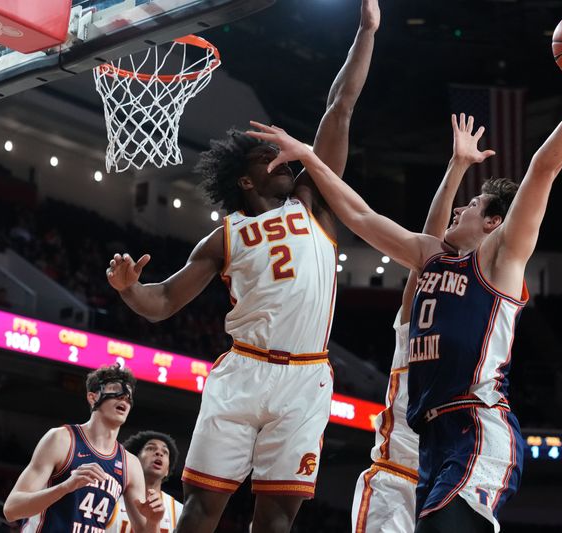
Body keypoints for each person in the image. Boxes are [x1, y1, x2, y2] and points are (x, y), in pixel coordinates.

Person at [248, 21, 562, 532]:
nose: (458, 211)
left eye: (470, 205)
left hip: (476, 426)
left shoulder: (500, 261)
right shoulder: (429, 256)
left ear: (493, 223)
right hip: (431, 439)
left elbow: (543, 167)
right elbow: (361, 217)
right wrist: (311, 158)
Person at [105, 1, 380, 531]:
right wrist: (128, 290)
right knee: (205, 503)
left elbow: (339, 108)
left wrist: (366, 32)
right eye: (266, 158)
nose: (283, 158)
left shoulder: (315, 205)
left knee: (279, 512)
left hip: (304, 376)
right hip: (243, 370)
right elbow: (162, 302)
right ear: (247, 182)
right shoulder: (223, 237)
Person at [351, 115, 494, 532]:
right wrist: (457, 167)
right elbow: (427, 250)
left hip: (454, 478)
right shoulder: (423, 315)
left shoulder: (486, 310)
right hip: (397, 478)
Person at [3, 364, 163, 532]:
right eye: (115, 390)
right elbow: (11, 509)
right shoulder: (62, 439)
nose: (124, 397)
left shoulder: (130, 463)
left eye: (128, 394)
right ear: (93, 397)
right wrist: (66, 487)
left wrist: (153, 521)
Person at [108, 431, 182, 533]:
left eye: (165, 452)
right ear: (135, 459)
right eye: (150, 448)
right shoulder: (111, 496)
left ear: (167, 470)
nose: (159, 453)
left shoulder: (179, 511)